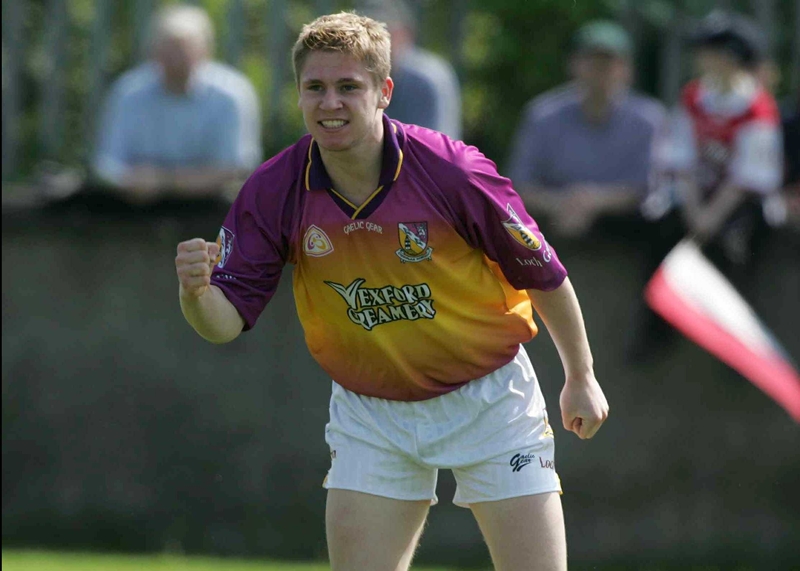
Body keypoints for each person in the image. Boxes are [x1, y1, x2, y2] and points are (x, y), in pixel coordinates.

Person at [175, 12, 607, 571]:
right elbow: (224, 322)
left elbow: (543, 272)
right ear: (299, 94)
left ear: (384, 92)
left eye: (348, 87)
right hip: (370, 411)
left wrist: (581, 375)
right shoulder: (274, 189)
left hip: (490, 397)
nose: (330, 103)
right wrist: (194, 293)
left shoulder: (452, 171)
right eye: (315, 88)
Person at [507, 20, 669, 239]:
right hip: (550, 231)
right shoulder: (542, 114)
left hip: (627, 237)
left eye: (609, 63)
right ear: (573, 65)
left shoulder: (648, 118)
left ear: (627, 69)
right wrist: (562, 204)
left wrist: (593, 202)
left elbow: (649, 189)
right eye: (591, 62)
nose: (600, 71)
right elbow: (520, 184)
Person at [93, 4, 261, 204]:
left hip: (213, 209)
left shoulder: (232, 94)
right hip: (137, 208)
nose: (174, 59)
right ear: (153, 50)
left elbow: (236, 169)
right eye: (167, 49)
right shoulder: (128, 91)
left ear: (205, 50)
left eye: (182, 50)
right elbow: (106, 164)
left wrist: (163, 181)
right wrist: (130, 180)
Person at [660, 10, 783, 278]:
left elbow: (749, 178)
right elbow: (680, 159)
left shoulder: (756, 108)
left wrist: (708, 220)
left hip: (738, 207)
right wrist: (695, 214)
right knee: (661, 241)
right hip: (693, 198)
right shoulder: (693, 97)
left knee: (734, 251)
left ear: (729, 56)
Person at [357, 0, 462, 140]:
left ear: (404, 33)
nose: (373, 47)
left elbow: (434, 147)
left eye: (381, 36)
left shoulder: (426, 78)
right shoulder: (364, 76)